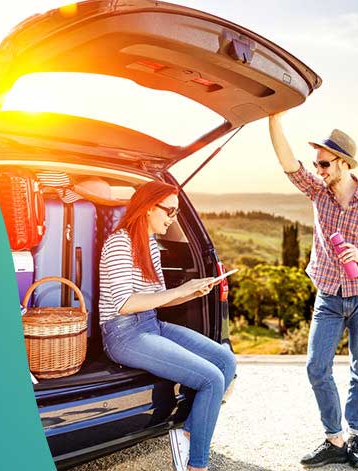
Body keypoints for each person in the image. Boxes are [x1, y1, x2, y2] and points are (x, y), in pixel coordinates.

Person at [268, 112, 358, 468]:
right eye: (317, 163)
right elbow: (286, 161)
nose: (319, 169)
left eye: (324, 163)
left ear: (343, 163)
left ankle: (356, 436)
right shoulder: (317, 192)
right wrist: (274, 115)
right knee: (316, 367)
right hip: (328, 295)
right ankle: (333, 438)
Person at [98, 180, 236, 471]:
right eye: (170, 211)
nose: (173, 218)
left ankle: (189, 433)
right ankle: (196, 465)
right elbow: (124, 303)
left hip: (150, 323)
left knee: (225, 360)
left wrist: (191, 291)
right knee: (211, 379)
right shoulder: (119, 243)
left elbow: (156, 300)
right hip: (123, 333)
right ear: (148, 207)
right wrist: (180, 289)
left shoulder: (149, 243)